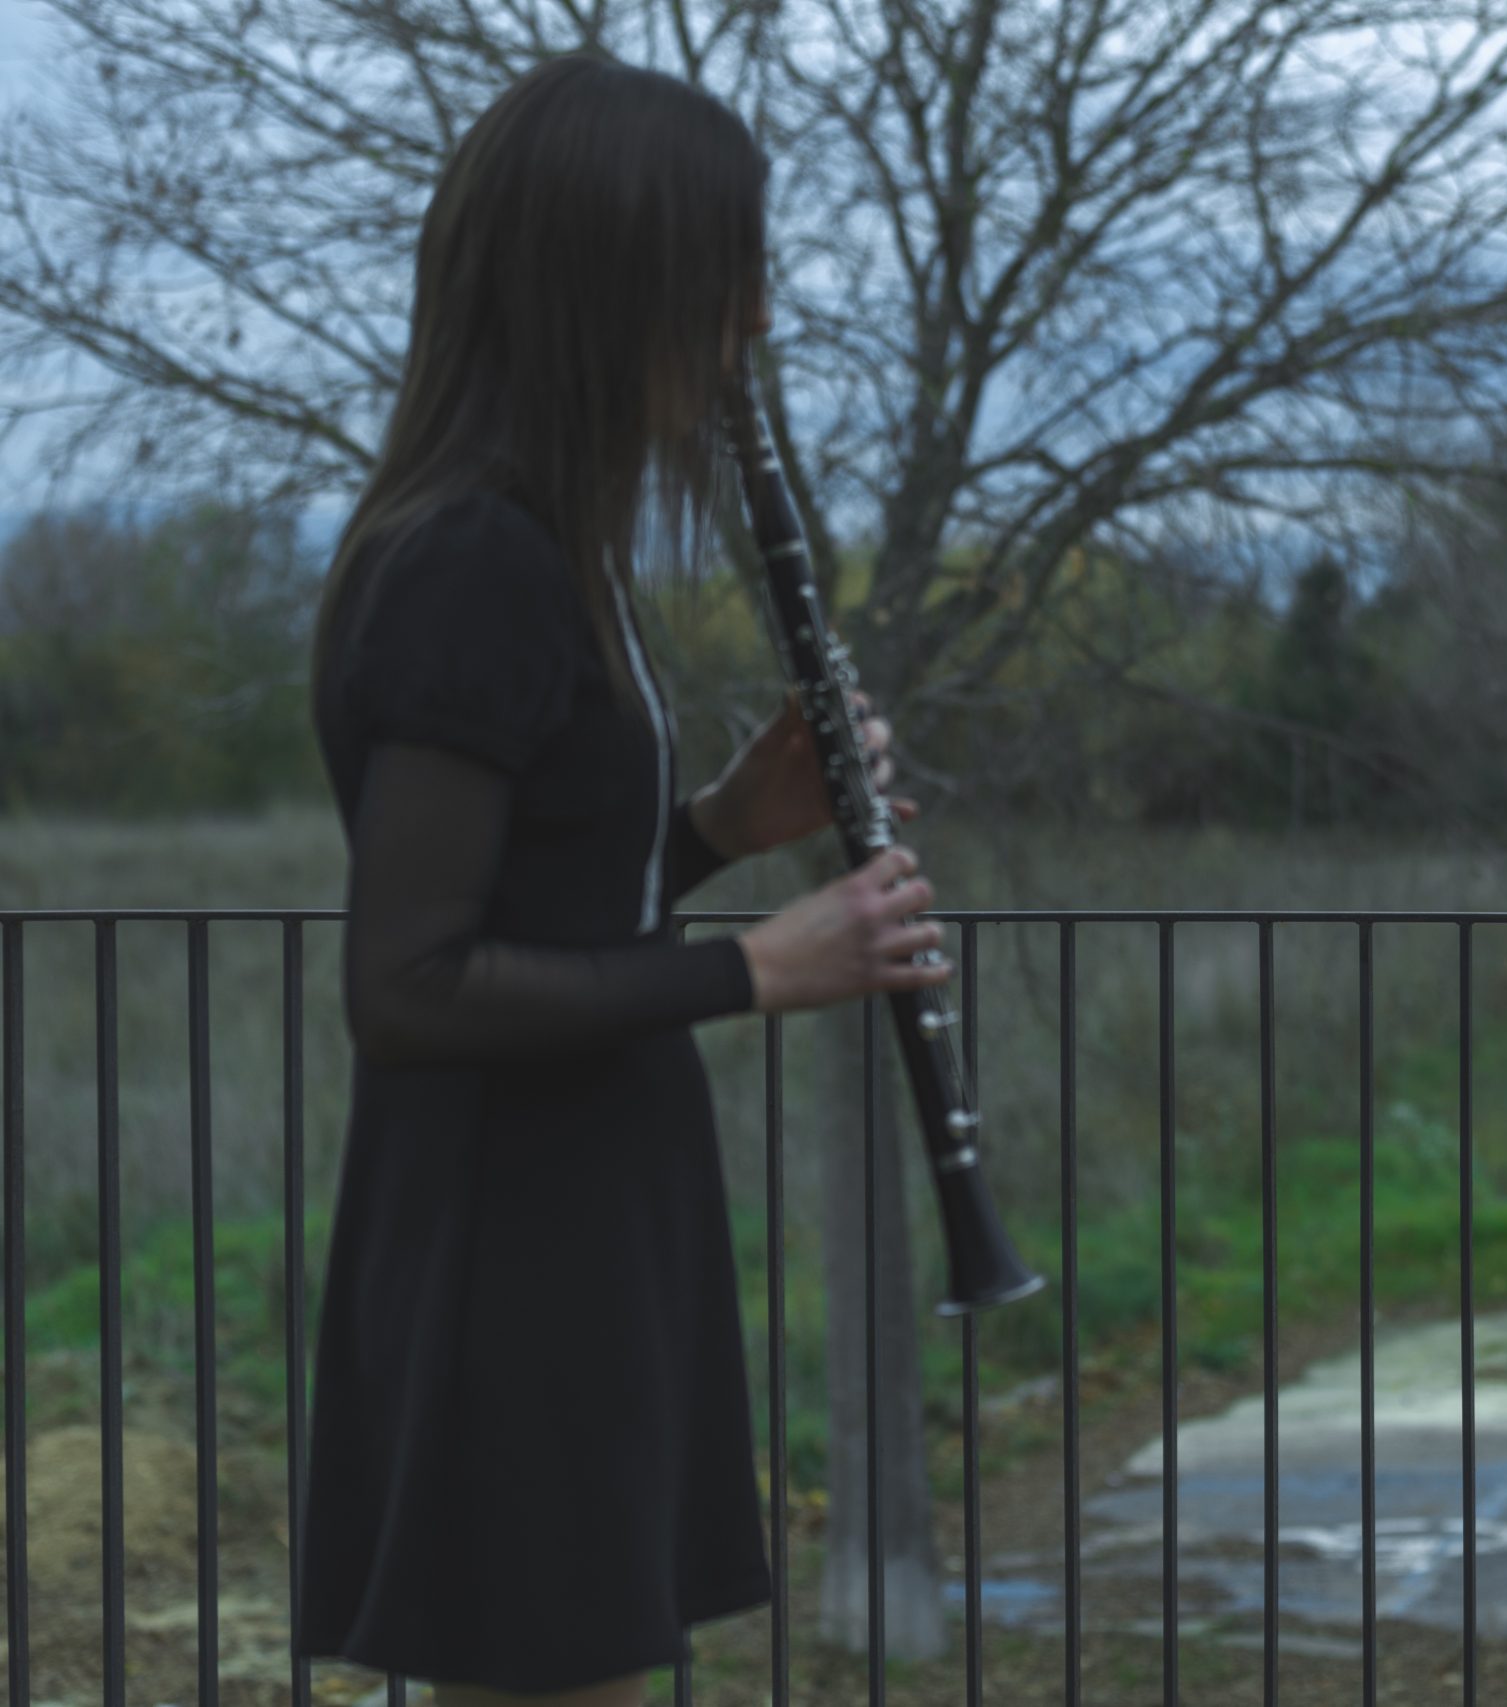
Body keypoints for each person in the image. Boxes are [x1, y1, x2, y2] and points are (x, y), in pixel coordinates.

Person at [297, 55, 952, 1707]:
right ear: (610, 280)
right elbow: (409, 983)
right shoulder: (476, 560)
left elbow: (545, 896)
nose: (753, 321)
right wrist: (760, 964)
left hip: (582, 1215)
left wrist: (723, 821)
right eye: (724, 275)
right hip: (512, 1252)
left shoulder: (547, 547)